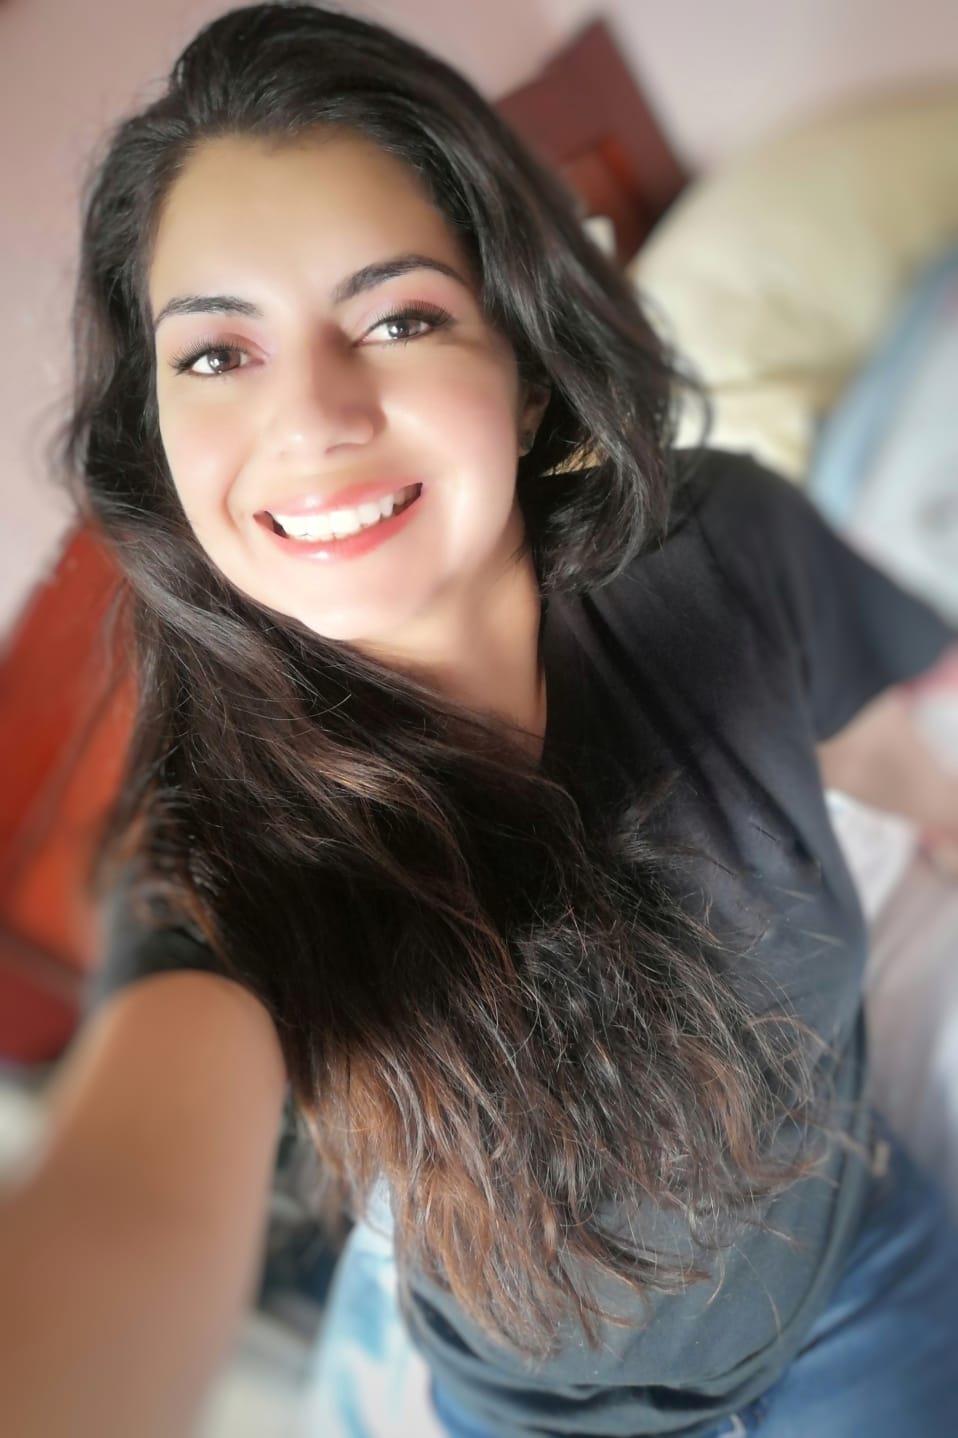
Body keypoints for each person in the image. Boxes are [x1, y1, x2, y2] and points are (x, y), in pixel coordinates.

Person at [2, 4, 958, 1435]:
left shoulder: (722, 549)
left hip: (855, 1278)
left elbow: (856, 718)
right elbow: (130, 1198)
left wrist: (941, 810)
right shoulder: (218, 850)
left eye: (399, 318)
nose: (313, 418)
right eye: (214, 354)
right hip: (529, 1412)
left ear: (521, 362)